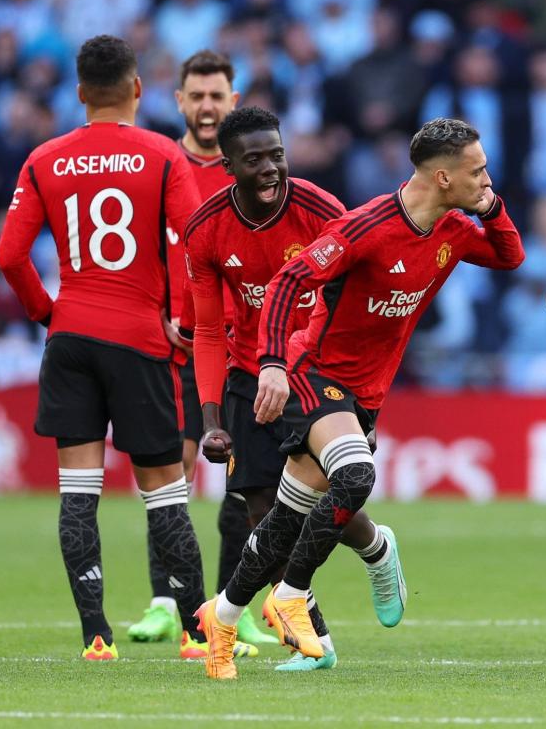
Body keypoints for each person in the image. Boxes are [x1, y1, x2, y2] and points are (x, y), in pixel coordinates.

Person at [196, 117, 524, 679]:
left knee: (283, 516)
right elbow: (287, 282)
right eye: (478, 172)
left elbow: (509, 256)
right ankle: (293, 594)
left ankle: (222, 620)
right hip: (312, 371)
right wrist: (273, 364)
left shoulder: (453, 228)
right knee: (355, 477)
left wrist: (491, 209)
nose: (487, 179)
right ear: (444, 178)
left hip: (366, 392)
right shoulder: (366, 227)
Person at [0, 34, 212, 661]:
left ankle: (96, 636)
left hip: (72, 337)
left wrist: (47, 312)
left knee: (77, 493)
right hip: (139, 340)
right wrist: (186, 320)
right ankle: (199, 637)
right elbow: (191, 250)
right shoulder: (164, 155)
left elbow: (10, 255)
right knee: (165, 494)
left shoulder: (45, 158)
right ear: (138, 89)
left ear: (81, 93)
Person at [187, 106, 408, 674]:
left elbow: (347, 304)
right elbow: (209, 329)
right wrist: (211, 416)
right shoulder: (206, 229)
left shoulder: (322, 211)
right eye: (254, 159)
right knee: (264, 513)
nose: (270, 169)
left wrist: (285, 364)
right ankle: (317, 641)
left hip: (312, 371)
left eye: (277, 155)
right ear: (228, 163)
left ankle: (376, 548)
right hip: (244, 375)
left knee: (323, 493)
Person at [129, 48, 278, 651]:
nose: (208, 105)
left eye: (219, 95)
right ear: (179, 101)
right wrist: (156, 312)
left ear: (233, 101)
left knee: (238, 482)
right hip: (168, 346)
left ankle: (230, 607)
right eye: (198, 95)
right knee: (170, 475)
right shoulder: (160, 165)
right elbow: (137, 250)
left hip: (234, 350)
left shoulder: (249, 169)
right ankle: (166, 602)